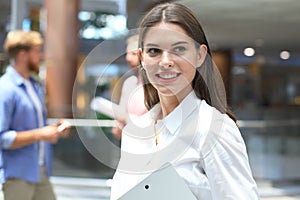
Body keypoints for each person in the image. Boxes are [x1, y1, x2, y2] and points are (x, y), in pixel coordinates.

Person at [110, 2, 259, 200]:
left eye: (179, 49)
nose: (165, 61)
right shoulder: (135, 131)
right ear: (141, 59)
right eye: (154, 51)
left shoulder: (214, 128)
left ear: (199, 56)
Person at [0, 30, 70, 200]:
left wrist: (53, 131)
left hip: (39, 171)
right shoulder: (6, 89)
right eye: (37, 51)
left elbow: (36, 129)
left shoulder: (34, 85)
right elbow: (2, 138)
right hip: (17, 175)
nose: (41, 56)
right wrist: (40, 134)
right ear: (23, 55)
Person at [111, 34, 148, 139]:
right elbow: (122, 114)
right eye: (127, 54)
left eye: (133, 54)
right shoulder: (129, 83)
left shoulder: (158, 85)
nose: (128, 58)